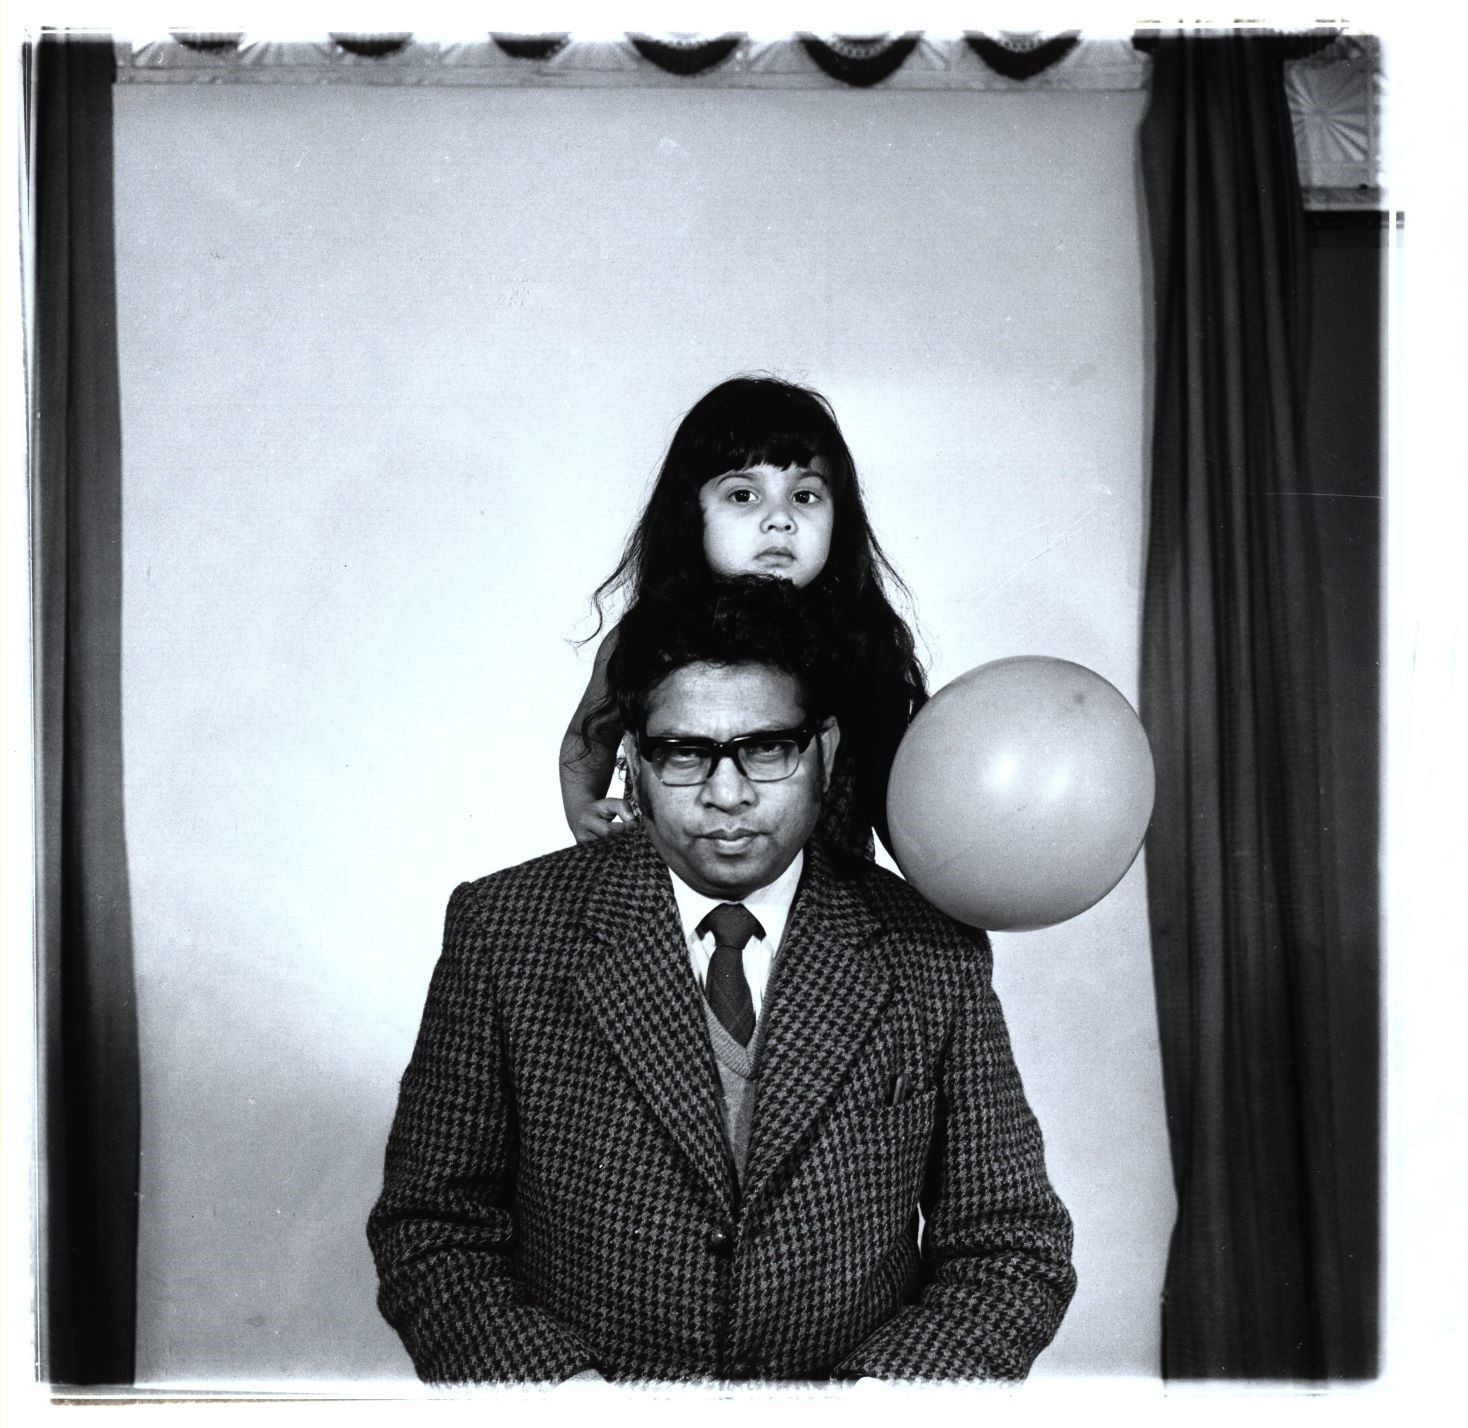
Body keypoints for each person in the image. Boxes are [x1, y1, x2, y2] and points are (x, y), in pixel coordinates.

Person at [368, 577, 1076, 1384]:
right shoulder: (504, 931)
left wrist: (873, 1409)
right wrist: (569, 1406)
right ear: (633, 760)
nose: (727, 794)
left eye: (768, 748)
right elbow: (432, 1229)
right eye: (684, 753)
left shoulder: (930, 951)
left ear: (828, 751)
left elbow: (1011, 1245)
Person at [560, 375, 926, 860]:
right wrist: (583, 808)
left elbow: (896, 799)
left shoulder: (861, 642)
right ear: (692, 514)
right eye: (743, 495)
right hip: (675, 891)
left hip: (827, 909)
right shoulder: (645, 638)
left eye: (804, 495)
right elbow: (587, 737)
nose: (780, 519)